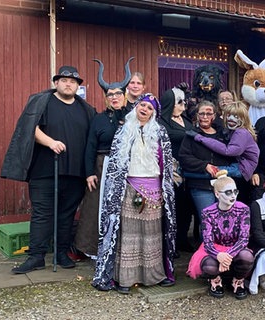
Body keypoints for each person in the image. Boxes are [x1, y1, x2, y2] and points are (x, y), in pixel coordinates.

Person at [2, 66, 96, 274]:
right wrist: (50, 142)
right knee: (42, 214)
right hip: (44, 171)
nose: (68, 84)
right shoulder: (41, 102)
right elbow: (29, 128)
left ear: (78, 85)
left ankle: (62, 253)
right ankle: (36, 256)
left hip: (74, 173)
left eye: (72, 81)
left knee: (66, 215)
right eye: (63, 80)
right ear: (56, 83)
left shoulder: (86, 109)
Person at [92, 93, 177, 294]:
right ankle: (126, 278)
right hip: (129, 187)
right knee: (129, 232)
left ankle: (154, 275)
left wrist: (166, 189)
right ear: (136, 106)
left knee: (152, 233)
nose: (145, 109)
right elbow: (115, 164)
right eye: (142, 105)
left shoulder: (160, 132)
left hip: (154, 189)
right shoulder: (123, 131)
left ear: (153, 113)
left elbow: (166, 163)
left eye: (149, 108)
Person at [74, 58, 133, 258]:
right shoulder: (98, 119)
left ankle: (123, 248)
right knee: (95, 206)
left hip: (127, 168)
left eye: (118, 93)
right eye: (110, 94)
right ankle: (91, 248)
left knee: (125, 206)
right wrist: (89, 173)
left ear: (124, 95)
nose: (114, 97)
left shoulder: (133, 116)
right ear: (106, 97)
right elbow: (90, 147)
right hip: (102, 166)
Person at [186, 174, 254, 300]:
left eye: (235, 191)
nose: (233, 195)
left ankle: (237, 281)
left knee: (247, 257)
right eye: (228, 192)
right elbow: (207, 241)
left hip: (235, 248)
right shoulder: (207, 212)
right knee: (209, 266)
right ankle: (215, 281)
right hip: (215, 249)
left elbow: (244, 238)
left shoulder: (244, 209)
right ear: (217, 194)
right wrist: (218, 255)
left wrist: (227, 256)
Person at [178, 100, 234, 236]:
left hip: (223, 186)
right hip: (201, 185)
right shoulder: (191, 135)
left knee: (225, 220)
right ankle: (208, 253)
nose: (205, 116)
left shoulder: (223, 134)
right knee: (208, 221)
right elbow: (184, 157)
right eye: (202, 113)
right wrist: (205, 165)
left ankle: (223, 252)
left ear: (214, 115)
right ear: (197, 115)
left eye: (208, 113)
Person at [158, 87, 197, 254]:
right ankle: (169, 242)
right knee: (171, 208)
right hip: (170, 172)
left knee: (186, 207)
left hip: (188, 170)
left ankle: (182, 239)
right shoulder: (161, 123)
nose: (183, 105)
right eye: (178, 102)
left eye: (183, 101)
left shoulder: (187, 121)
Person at [187, 101, 259, 182]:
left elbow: (228, 151)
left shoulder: (241, 132)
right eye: (228, 115)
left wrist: (200, 138)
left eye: (235, 116)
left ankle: (182, 173)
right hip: (240, 165)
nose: (231, 118)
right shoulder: (234, 131)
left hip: (241, 168)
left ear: (243, 118)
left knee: (213, 172)